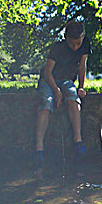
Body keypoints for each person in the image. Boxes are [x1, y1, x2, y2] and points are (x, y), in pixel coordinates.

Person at [35, 21, 91, 176]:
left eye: (78, 43)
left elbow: (82, 66)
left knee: (73, 96)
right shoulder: (57, 48)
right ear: (66, 38)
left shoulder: (85, 44)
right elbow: (47, 73)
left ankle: (78, 140)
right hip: (49, 80)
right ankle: (39, 148)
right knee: (46, 102)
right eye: (72, 44)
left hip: (67, 80)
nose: (75, 47)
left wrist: (81, 86)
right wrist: (56, 91)